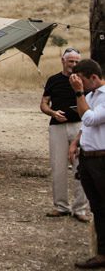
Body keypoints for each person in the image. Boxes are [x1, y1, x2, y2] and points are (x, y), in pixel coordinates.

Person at [41, 47, 90, 221]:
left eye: (77, 61)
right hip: (57, 127)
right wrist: (53, 113)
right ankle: (61, 206)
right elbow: (44, 104)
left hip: (79, 125)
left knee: (81, 167)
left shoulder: (84, 80)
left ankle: (80, 209)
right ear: (63, 60)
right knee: (58, 167)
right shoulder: (53, 80)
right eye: (71, 61)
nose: (74, 64)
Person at [68, 59, 105, 269]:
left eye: (81, 81)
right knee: (98, 208)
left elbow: (90, 118)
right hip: (89, 158)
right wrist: (76, 141)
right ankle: (101, 253)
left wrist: (79, 93)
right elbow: (86, 125)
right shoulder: (90, 96)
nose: (78, 85)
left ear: (93, 77)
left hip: (102, 158)